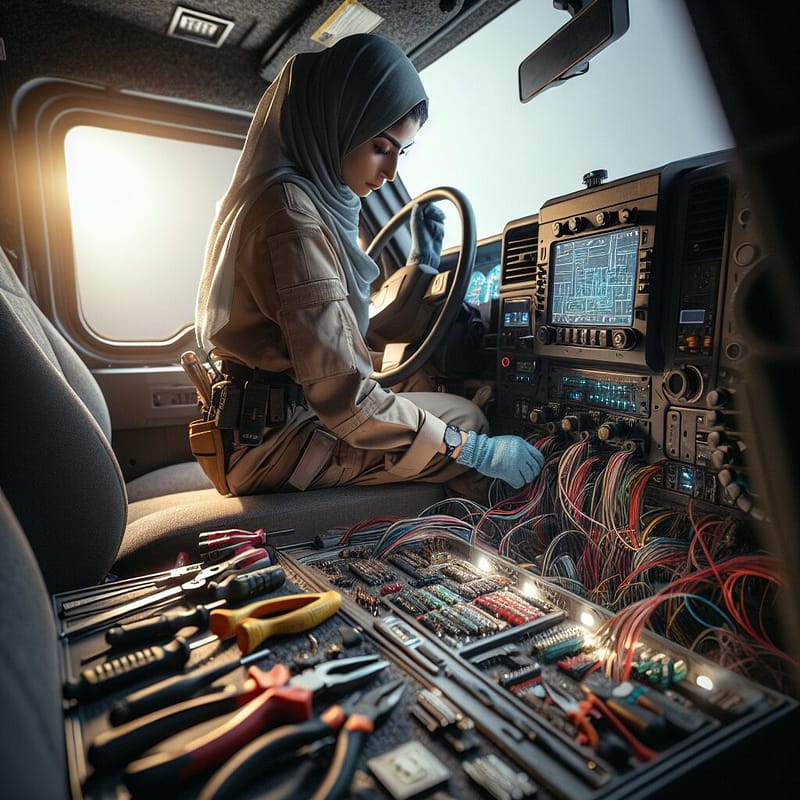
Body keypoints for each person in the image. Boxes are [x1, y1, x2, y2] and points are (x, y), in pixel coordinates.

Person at [194, 32, 543, 502]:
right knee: (466, 419)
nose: (391, 172)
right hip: (273, 444)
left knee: (420, 382)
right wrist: (475, 449)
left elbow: (340, 328)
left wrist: (420, 265)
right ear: (338, 122)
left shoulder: (298, 196)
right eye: (381, 146)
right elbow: (348, 399)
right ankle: (485, 559)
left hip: (262, 424)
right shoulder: (292, 219)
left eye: (403, 152)